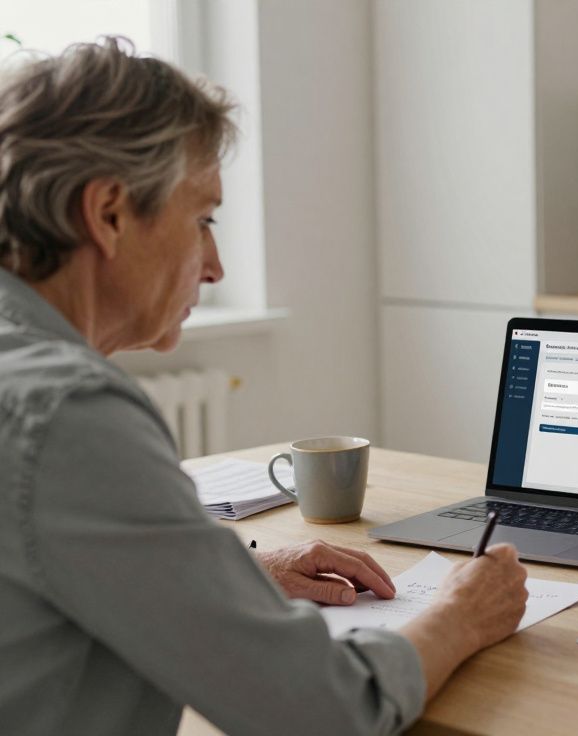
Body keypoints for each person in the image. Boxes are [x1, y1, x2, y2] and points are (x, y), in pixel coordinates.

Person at [0, 37, 527, 735]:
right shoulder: (71, 415)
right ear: (109, 214)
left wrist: (236, 576)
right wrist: (460, 616)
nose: (214, 267)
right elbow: (323, 711)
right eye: (203, 219)